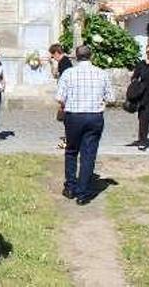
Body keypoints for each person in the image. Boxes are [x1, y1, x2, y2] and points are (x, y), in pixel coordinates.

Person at [55, 45, 114, 205]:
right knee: (88, 154)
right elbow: (111, 97)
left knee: (71, 151)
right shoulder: (102, 73)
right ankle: (83, 193)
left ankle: (70, 187)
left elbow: (60, 97)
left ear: (76, 56)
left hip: (74, 116)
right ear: (91, 56)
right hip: (94, 116)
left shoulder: (68, 73)